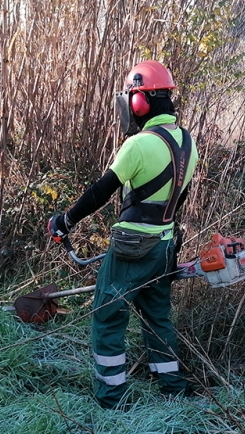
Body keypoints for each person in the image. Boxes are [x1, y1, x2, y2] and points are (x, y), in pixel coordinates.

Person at [47, 60, 199, 409]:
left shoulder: (139, 144)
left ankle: (111, 397)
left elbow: (100, 191)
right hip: (164, 245)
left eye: (131, 96)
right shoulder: (187, 142)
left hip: (133, 246)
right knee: (157, 315)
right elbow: (179, 200)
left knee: (107, 314)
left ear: (140, 102)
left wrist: (64, 221)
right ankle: (173, 389)